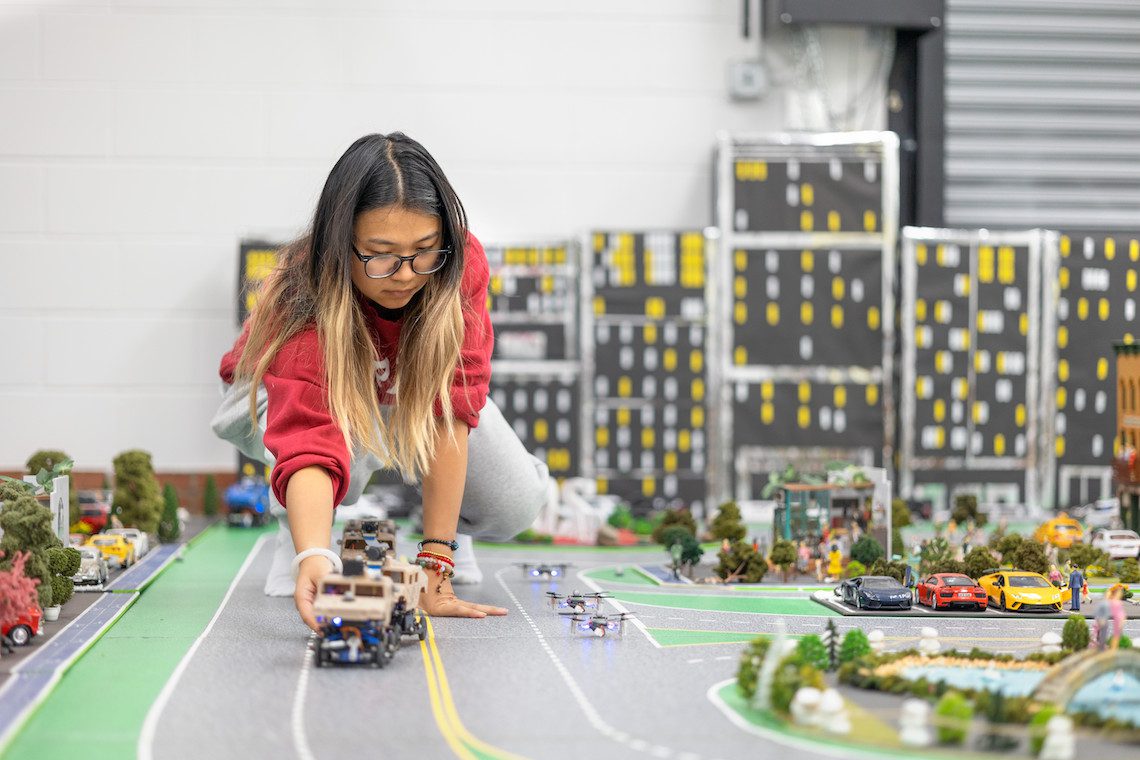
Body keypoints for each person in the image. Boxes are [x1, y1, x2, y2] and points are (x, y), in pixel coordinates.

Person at [211, 133, 550, 630]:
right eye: (381, 254)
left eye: (423, 251)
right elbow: (309, 438)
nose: (406, 275)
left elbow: (453, 409)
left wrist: (436, 563)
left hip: (399, 386)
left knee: (515, 501)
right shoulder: (304, 288)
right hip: (269, 391)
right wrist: (314, 556)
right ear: (339, 243)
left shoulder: (458, 266)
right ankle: (305, 534)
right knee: (339, 458)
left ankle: (448, 528)